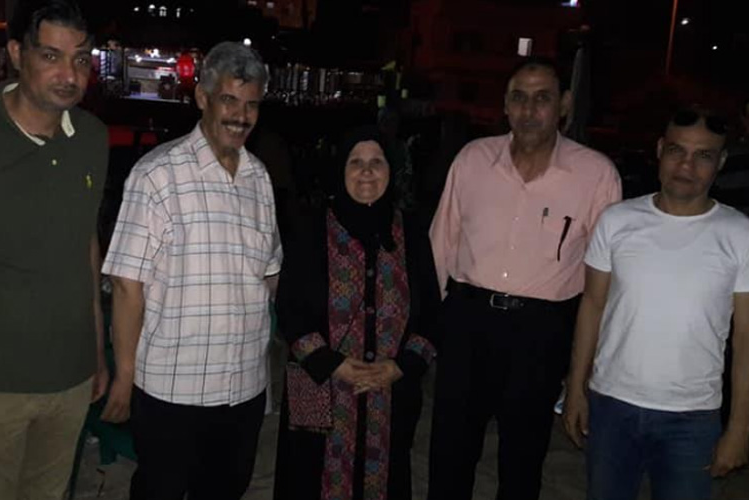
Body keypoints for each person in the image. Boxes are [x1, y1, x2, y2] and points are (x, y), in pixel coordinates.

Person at [427, 56, 621, 500]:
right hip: (468, 321)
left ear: (564, 105)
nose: (529, 110)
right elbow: (440, 246)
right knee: (450, 451)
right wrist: (429, 331)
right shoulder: (473, 160)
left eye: (542, 98)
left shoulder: (596, 175)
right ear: (505, 105)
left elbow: (604, 279)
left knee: (523, 458)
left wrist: (585, 367)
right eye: (519, 97)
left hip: (541, 332)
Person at [100, 41, 281, 500]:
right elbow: (126, 283)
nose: (241, 115)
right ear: (202, 97)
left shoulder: (259, 179)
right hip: (172, 388)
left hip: (243, 386)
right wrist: (124, 375)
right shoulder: (157, 175)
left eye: (251, 104)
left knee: (226, 490)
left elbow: (269, 271)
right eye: (229, 100)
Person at [0, 1, 109, 498]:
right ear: (18, 54)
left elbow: (86, 245)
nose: (69, 75)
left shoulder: (91, 138)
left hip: (69, 377)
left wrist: (97, 351)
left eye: (80, 58)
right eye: (51, 56)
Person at [563, 108, 749, 500]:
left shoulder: (738, 234)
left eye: (703, 155)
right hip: (611, 406)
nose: (687, 165)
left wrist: (739, 428)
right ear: (660, 150)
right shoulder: (617, 221)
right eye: (678, 150)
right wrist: (575, 388)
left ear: (720, 162)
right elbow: (592, 306)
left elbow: (746, 340)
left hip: (692, 418)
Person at [273, 127, 440, 500]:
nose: (367, 171)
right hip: (316, 381)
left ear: (391, 170)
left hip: (389, 387)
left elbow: (431, 312)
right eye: (356, 162)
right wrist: (333, 364)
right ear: (340, 170)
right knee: (308, 474)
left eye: (377, 162)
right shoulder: (311, 227)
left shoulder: (411, 233)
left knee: (385, 473)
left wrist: (400, 367)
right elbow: (289, 307)